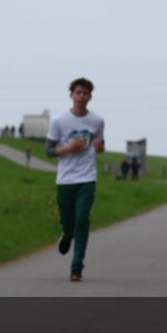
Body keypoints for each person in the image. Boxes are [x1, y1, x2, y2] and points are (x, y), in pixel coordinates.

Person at [46, 78, 105, 282]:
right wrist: (68, 148)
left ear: (90, 97)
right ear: (71, 94)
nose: (81, 96)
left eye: (85, 93)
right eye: (78, 92)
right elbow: (49, 150)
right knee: (68, 219)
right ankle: (66, 233)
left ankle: (76, 267)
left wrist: (99, 148)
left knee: (82, 218)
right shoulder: (59, 121)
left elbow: (100, 144)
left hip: (87, 176)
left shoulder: (97, 121)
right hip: (65, 178)